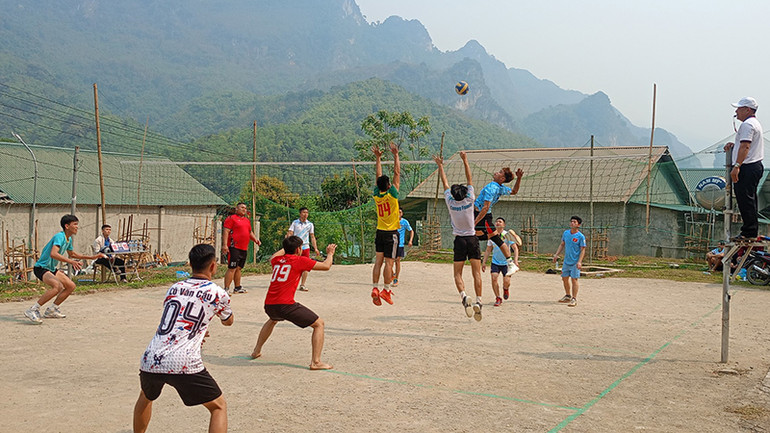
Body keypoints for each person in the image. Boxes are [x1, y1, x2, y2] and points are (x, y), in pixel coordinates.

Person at [133, 243, 233, 433]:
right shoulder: (217, 292)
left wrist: (198, 330)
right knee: (218, 407)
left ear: (190, 264)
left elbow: (178, 320)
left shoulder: (174, 287)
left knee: (146, 397)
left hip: (151, 357)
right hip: (183, 361)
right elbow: (228, 321)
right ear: (212, 266)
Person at [250, 236, 337, 370]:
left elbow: (275, 255)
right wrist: (330, 253)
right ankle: (316, 362)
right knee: (319, 324)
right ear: (298, 249)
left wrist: (286, 245)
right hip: (285, 305)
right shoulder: (300, 260)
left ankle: (256, 351)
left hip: (269, 305)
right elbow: (326, 266)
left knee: (272, 319)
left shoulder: (276, 260)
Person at [23, 214, 107, 324]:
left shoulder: (68, 239)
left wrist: (93, 257)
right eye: (75, 224)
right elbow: (53, 254)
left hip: (51, 268)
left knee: (71, 286)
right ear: (67, 226)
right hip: (41, 268)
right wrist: (71, 262)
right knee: (57, 286)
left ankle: (52, 310)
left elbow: (72, 254)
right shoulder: (59, 236)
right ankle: (33, 309)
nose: (77, 227)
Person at [434, 151, 484, 321]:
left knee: (457, 274)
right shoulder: (469, 199)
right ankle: (479, 301)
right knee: (476, 273)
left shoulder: (450, 202)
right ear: (464, 192)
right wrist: (465, 160)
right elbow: (470, 179)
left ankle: (464, 296)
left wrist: (440, 166)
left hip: (459, 241)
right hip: (472, 238)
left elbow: (445, 184)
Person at [724, 97, 764, 241]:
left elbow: (746, 146)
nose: (736, 111)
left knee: (745, 199)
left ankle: (749, 232)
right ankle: (750, 229)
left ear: (747, 110)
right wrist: (734, 147)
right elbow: (745, 145)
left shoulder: (747, 125)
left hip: (747, 166)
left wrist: (737, 166)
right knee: (749, 198)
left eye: (739, 109)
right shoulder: (754, 124)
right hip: (754, 165)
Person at [473, 162, 523, 277]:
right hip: (483, 215)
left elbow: (485, 207)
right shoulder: (500, 188)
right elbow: (514, 191)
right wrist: (519, 178)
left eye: (500, 172)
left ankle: (507, 243)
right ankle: (510, 263)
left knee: (474, 234)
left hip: (481, 215)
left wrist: (474, 221)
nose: (496, 172)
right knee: (493, 238)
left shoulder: (492, 188)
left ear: (502, 178)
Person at [370, 142, 400, 306]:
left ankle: (375, 287)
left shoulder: (377, 195)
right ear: (388, 186)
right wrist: (396, 155)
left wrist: (378, 159)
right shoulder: (392, 194)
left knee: (378, 262)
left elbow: (378, 178)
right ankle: (386, 290)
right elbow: (397, 172)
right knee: (389, 263)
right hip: (391, 233)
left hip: (379, 231)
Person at [221, 202, 261, 294]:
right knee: (232, 267)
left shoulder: (246, 220)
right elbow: (226, 231)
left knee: (239, 268)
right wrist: (224, 245)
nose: (244, 209)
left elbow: (249, 232)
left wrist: (256, 240)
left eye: (245, 208)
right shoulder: (231, 219)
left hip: (244, 248)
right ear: (236, 209)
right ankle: (226, 289)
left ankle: (237, 287)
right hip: (234, 246)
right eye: (242, 207)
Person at [481, 217, 519, 307]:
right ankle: (498, 298)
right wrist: (484, 262)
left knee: (507, 282)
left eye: (500, 222)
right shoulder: (491, 235)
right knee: (494, 278)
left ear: (504, 225)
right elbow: (488, 250)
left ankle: (505, 289)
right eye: (496, 221)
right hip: (495, 262)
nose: (498, 223)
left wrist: (515, 260)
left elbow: (515, 248)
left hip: (506, 263)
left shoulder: (507, 235)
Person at [552, 216, 586, 307]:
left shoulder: (580, 236)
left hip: (575, 262)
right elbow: (562, 244)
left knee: (574, 279)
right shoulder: (566, 233)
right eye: (571, 221)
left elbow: (583, 249)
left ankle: (574, 298)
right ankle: (567, 295)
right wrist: (556, 254)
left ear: (578, 224)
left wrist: (579, 261)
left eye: (574, 222)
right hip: (566, 261)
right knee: (564, 278)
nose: (572, 223)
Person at [286, 207, 320, 292]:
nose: (305, 214)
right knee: (293, 265)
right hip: (296, 247)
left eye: (307, 213)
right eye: (304, 212)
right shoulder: (295, 223)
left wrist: (315, 248)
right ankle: (291, 283)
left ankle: (302, 284)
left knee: (306, 266)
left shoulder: (310, 224)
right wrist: (288, 242)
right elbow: (290, 232)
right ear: (300, 213)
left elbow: (312, 236)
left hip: (305, 247)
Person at [392, 208, 414, 287]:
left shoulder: (405, 222)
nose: (398, 213)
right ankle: (393, 274)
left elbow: (411, 231)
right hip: (392, 243)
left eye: (400, 212)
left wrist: (410, 240)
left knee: (397, 260)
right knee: (389, 261)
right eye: (397, 212)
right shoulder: (392, 221)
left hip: (400, 244)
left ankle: (396, 279)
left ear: (402, 213)